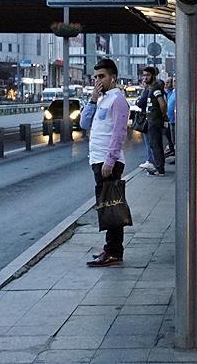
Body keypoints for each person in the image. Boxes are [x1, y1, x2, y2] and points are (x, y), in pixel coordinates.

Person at [80, 59, 130, 267]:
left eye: (102, 76)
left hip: (108, 161)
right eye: (95, 77)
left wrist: (110, 160)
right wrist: (92, 99)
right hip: (97, 159)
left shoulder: (118, 99)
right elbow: (84, 123)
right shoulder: (102, 99)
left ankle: (114, 251)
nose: (98, 81)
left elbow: (119, 132)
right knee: (106, 205)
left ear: (113, 77)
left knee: (112, 207)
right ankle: (110, 248)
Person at [142, 67, 167, 176]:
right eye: (144, 75)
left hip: (154, 121)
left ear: (153, 76)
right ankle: (159, 166)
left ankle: (159, 168)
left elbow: (162, 104)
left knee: (155, 144)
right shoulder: (151, 88)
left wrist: (162, 115)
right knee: (155, 144)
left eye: (147, 75)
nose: (145, 77)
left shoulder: (156, 88)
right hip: (152, 120)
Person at [165, 77, 176, 158]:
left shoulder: (175, 92)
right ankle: (173, 152)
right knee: (171, 138)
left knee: (174, 139)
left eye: (168, 82)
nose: (166, 84)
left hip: (174, 119)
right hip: (169, 119)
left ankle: (176, 154)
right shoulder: (169, 92)